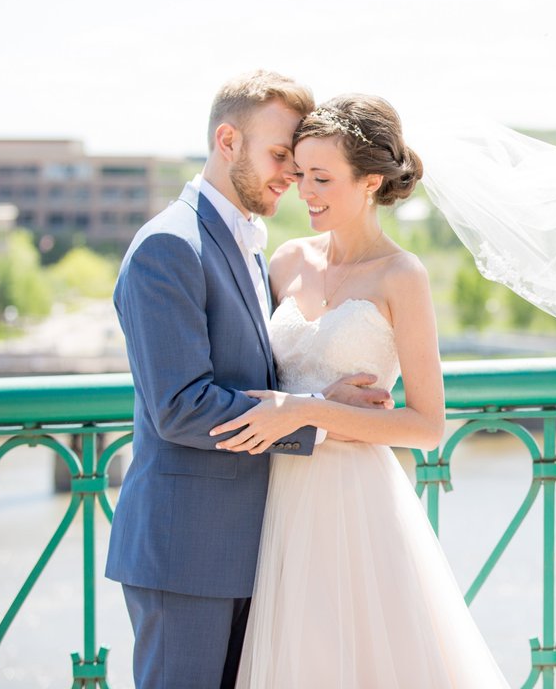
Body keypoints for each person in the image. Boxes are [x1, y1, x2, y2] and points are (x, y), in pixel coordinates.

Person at [208, 94, 509, 688]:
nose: (304, 191)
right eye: (300, 174)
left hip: (356, 504)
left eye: (322, 178)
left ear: (371, 181)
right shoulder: (285, 261)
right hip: (275, 500)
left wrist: (308, 410)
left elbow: (427, 426)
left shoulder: (402, 275)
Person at [107, 71, 392, 689]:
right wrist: (313, 416)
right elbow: (181, 407)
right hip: (187, 554)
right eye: (280, 155)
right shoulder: (168, 247)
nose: (293, 176)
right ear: (228, 140)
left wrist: (318, 402)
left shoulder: (250, 245)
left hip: (256, 548)